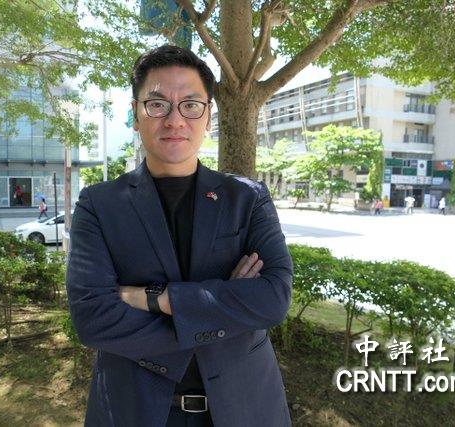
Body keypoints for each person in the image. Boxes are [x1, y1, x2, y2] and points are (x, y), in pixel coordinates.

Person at [66, 45, 293, 427]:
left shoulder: (247, 198)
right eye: (157, 104)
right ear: (135, 114)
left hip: (246, 409)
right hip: (134, 411)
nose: (174, 120)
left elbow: (273, 298)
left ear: (208, 116)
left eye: (190, 105)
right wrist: (228, 311)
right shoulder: (99, 204)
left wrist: (151, 298)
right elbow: (93, 319)